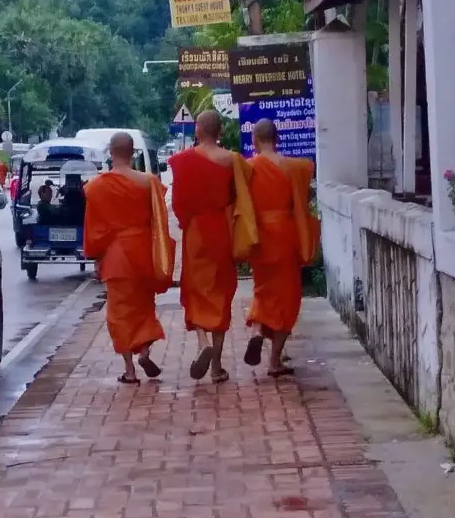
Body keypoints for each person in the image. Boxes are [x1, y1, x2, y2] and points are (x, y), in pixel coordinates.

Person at [169, 109, 257, 384]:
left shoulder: (182, 160)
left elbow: (179, 203)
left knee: (196, 290)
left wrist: (187, 222)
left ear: (197, 131)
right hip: (222, 229)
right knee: (221, 292)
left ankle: (202, 339)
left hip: (196, 231)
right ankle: (217, 366)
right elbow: (243, 188)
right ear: (220, 132)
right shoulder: (232, 160)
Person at [84, 132, 175, 385]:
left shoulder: (97, 186)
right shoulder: (149, 182)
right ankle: (144, 351)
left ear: (111, 153)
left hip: (116, 256)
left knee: (119, 314)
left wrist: (95, 258)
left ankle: (129, 370)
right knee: (144, 307)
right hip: (144, 252)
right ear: (133, 152)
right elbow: (160, 221)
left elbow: (95, 228)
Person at [243, 119, 319, 378]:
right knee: (288, 297)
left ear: (254, 140)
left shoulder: (248, 168)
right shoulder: (292, 167)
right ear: (277, 139)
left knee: (263, 290)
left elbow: (240, 205)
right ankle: (274, 360)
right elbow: (304, 201)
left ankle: (256, 331)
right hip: (285, 235)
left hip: (260, 236)